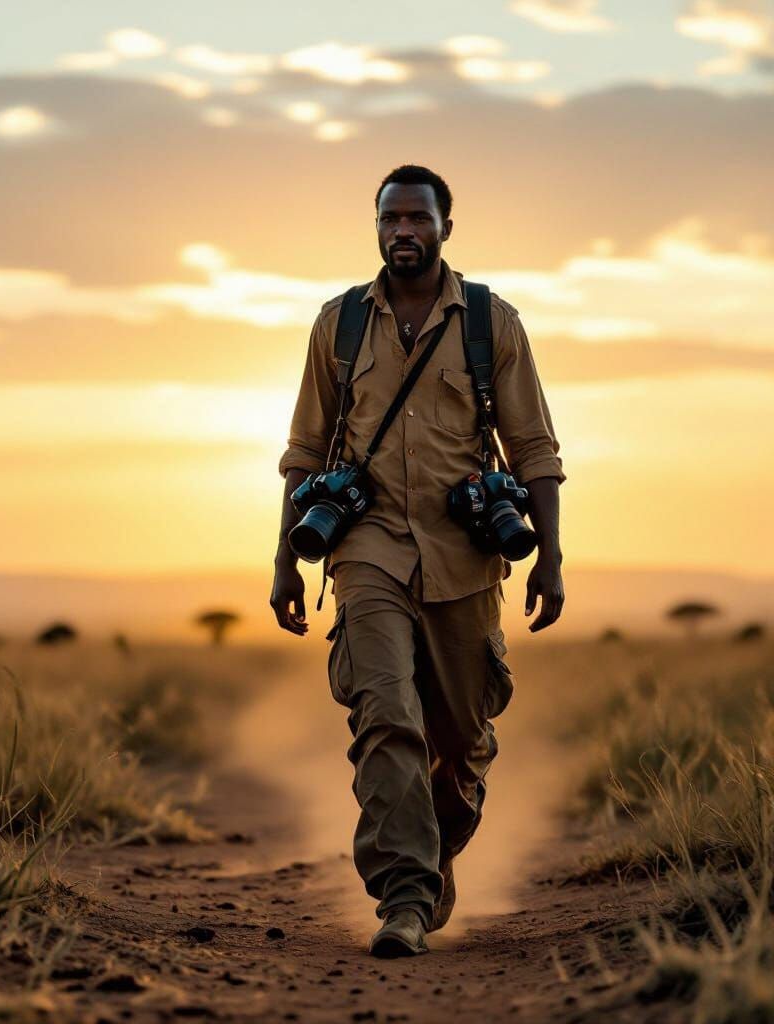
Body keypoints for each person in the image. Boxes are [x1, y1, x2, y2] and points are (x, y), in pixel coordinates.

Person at [270, 164, 566, 958]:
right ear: (376, 226)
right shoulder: (337, 326)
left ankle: (434, 848)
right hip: (366, 553)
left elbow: (535, 446)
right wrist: (283, 563)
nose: (404, 231)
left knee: (463, 736)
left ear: (444, 227)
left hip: (466, 555)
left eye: (418, 219)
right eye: (391, 218)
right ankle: (404, 895)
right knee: (385, 715)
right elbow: (303, 452)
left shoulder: (490, 322)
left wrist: (552, 558)